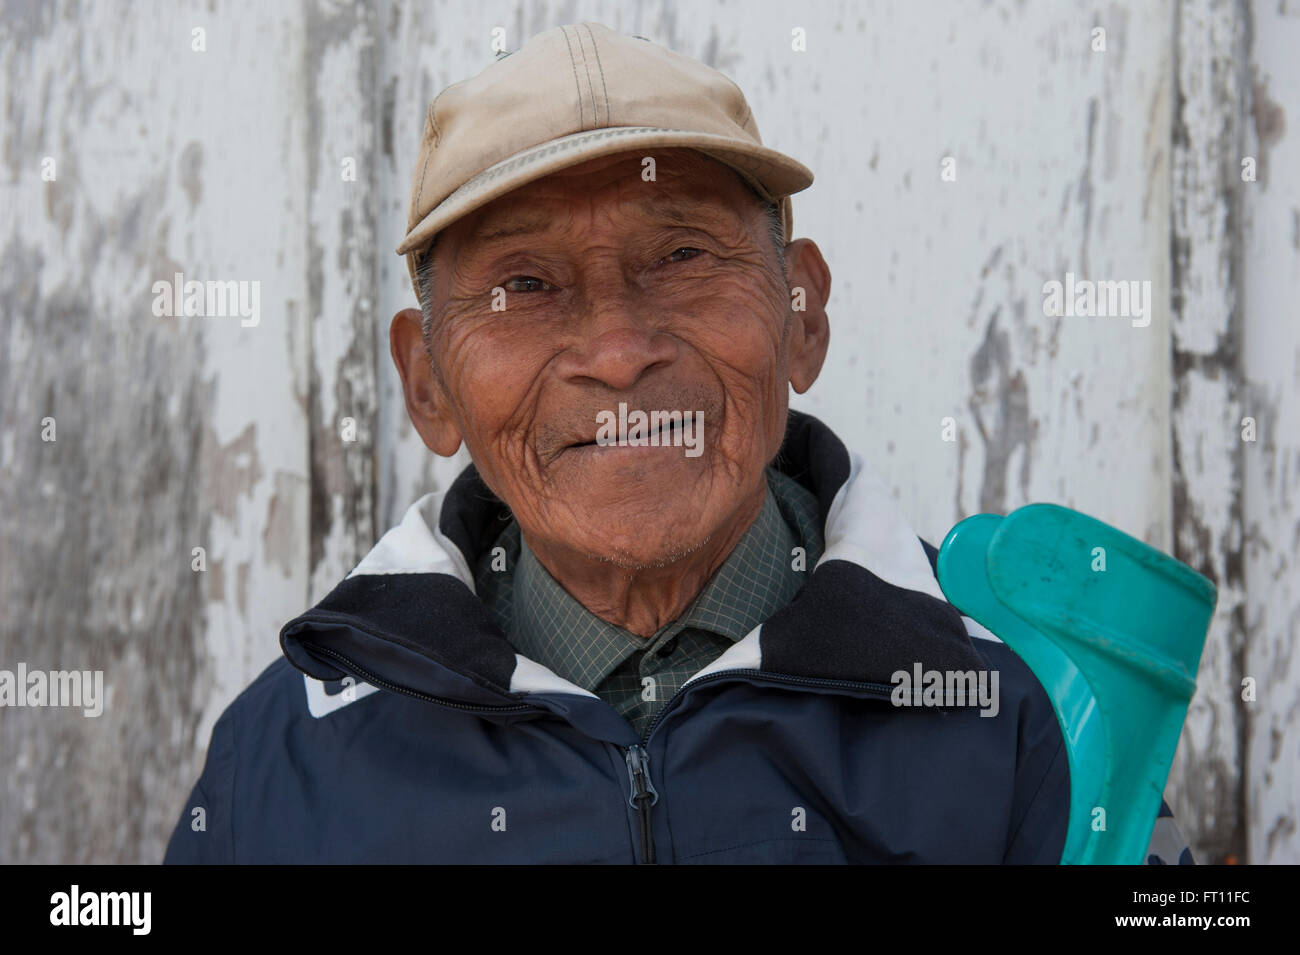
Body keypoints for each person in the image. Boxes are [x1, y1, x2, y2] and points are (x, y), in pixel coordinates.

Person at [165, 21, 1192, 864]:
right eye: (525, 283)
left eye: (682, 254)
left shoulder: (1024, 710)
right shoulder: (284, 757)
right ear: (428, 382)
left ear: (801, 315)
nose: (616, 351)